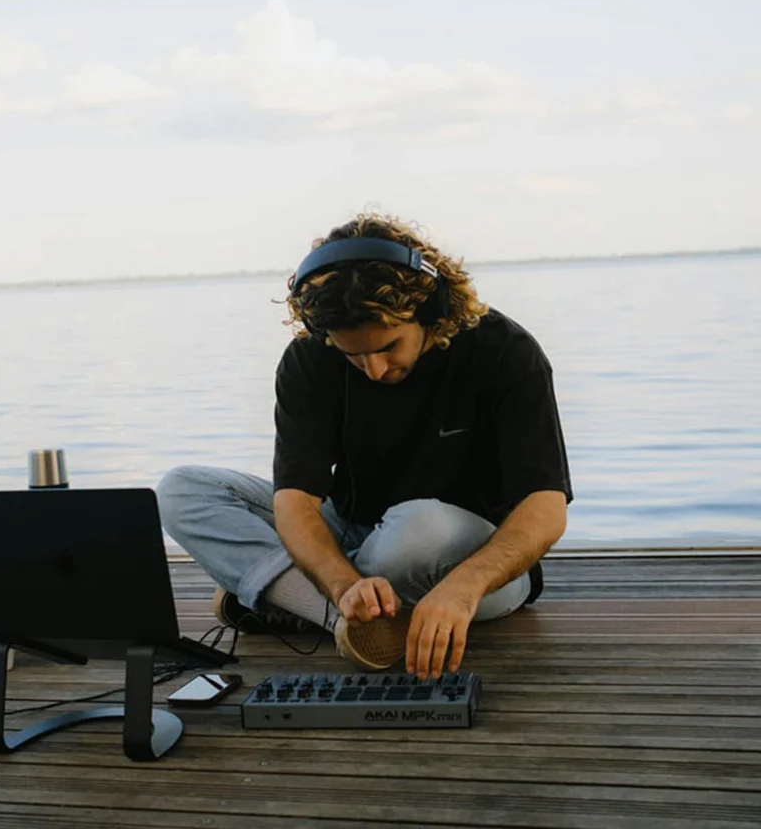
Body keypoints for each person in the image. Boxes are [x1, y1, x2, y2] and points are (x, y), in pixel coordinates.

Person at [158, 213, 572, 678]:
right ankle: (346, 620)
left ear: (433, 312)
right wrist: (340, 583)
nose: (373, 370)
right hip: (352, 530)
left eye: (388, 347)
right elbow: (295, 502)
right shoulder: (309, 359)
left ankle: (284, 595)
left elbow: (546, 508)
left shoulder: (506, 352)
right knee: (181, 489)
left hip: (470, 561)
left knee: (418, 527)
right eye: (352, 354)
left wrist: (463, 588)